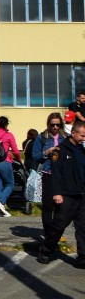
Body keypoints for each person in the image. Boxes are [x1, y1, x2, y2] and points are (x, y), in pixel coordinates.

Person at [36, 117, 85, 267]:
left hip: (81, 194)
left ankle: (82, 258)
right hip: (67, 195)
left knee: (83, 228)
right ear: (74, 134)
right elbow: (56, 173)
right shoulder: (61, 150)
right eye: (82, 135)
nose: (84, 138)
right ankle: (45, 250)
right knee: (58, 226)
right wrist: (57, 193)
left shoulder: (81, 150)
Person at [31, 112, 67, 247]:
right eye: (53, 125)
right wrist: (46, 152)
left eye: (58, 125)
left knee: (61, 207)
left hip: (62, 176)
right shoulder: (42, 138)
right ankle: (48, 233)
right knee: (47, 206)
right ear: (48, 124)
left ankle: (56, 233)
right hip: (48, 173)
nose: (55, 127)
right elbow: (34, 156)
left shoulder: (65, 137)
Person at [0, 116, 21, 217]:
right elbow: (15, 151)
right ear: (6, 124)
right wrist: (19, 160)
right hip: (4, 162)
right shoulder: (8, 135)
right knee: (9, 184)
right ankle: (0, 203)